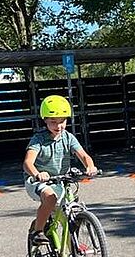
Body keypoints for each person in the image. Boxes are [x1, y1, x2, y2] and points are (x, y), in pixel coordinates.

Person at [23, 95, 98, 245]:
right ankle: (37, 232)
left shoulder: (68, 138)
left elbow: (83, 155)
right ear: (45, 120)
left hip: (60, 180)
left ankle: (76, 253)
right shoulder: (39, 139)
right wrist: (38, 174)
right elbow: (27, 163)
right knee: (50, 198)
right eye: (53, 122)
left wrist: (90, 166)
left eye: (62, 121)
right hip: (38, 181)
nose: (58, 126)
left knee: (72, 211)